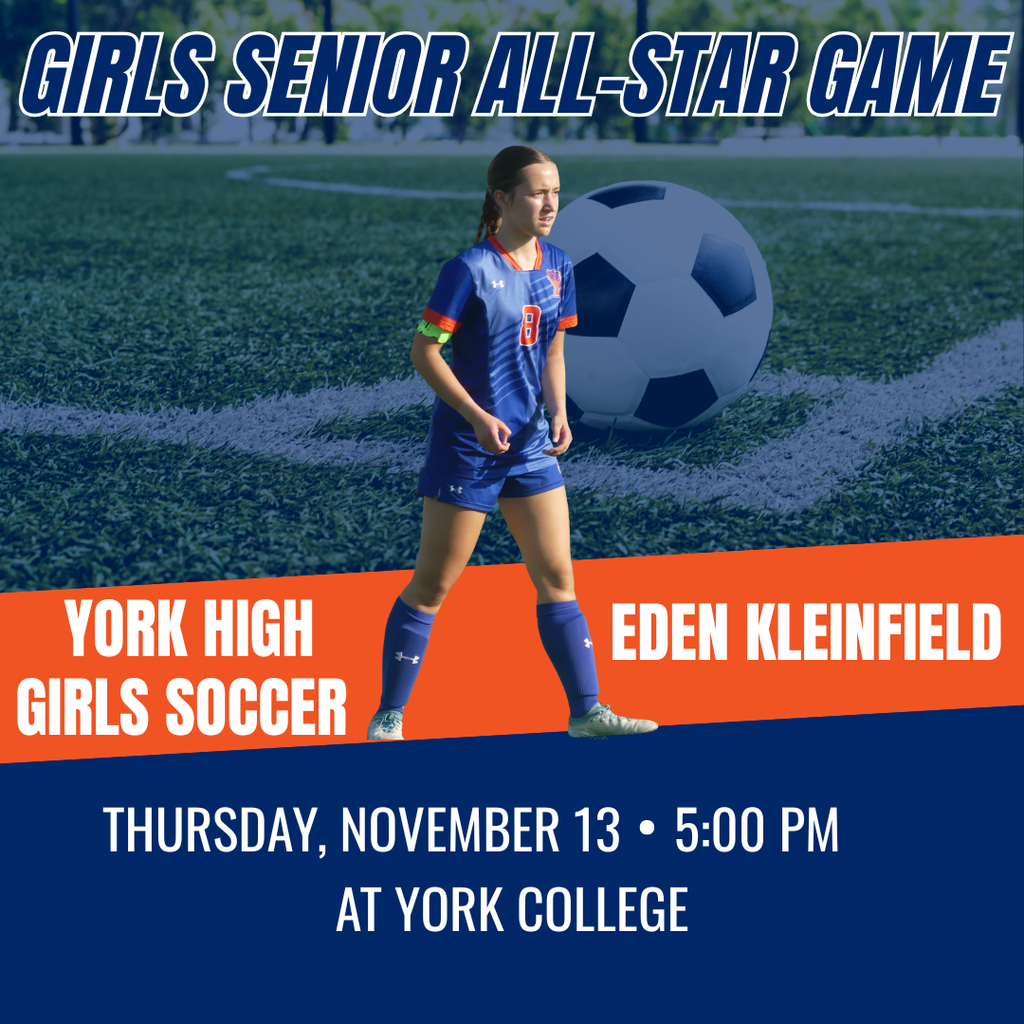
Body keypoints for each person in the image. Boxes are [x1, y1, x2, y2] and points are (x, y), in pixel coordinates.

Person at [367, 146, 657, 741]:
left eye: (556, 191)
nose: (550, 203)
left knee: (557, 578)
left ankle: (587, 713)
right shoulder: (468, 270)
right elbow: (425, 351)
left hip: (530, 448)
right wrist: (475, 416)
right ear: (502, 198)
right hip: (468, 449)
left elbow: (552, 350)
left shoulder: (559, 265)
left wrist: (559, 411)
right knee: (433, 584)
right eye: (536, 193)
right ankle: (389, 715)